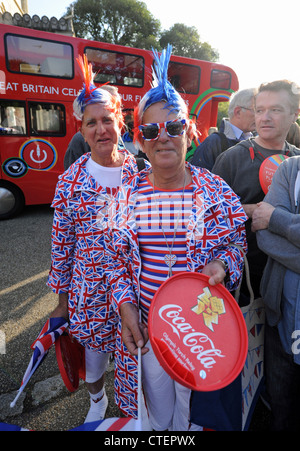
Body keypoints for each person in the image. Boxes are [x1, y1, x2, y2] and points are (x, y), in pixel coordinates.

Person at [104, 45, 248, 430]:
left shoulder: (217, 192)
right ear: (140, 138)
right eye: (151, 130)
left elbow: (236, 245)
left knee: (194, 415)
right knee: (155, 413)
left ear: (190, 132)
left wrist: (222, 264)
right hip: (148, 331)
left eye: (174, 127)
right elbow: (114, 260)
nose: (163, 138)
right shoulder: (126, 194)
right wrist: (124, 307)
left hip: (199, 332)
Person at [46, 55, 150, 424]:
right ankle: (96, 401)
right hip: (87, 286)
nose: (101, 129)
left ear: (120, 122)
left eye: (108, 120)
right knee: (92, 355)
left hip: (134, 286)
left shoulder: (142, 173)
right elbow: (62, 246)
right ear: (82, 130)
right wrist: (62, 303)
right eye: (92, 123)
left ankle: (132, 411)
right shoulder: (70, 180)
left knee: (131, 352)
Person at [212, 80, 300, 299]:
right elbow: (209, 217)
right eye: (260, 110)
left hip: (288, 283)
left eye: (276, 110)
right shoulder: (232, 158)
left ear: (294, 114)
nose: (265, 117)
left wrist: (276, 217)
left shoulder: (297, 162)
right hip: (241, 283)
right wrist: (250, 210)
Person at [252, 155, 300, 430]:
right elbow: (263, 231)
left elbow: (271, 222)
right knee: (282, 410)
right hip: (281, 318)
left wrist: (278, 219)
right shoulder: (290, 168)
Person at [191, 88, 257, 170]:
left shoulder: (258, 141)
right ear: (238, 112)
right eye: (256, 110)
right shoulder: (213, 142)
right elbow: (198, 179)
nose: (261, 116)